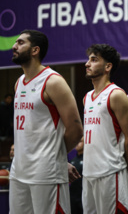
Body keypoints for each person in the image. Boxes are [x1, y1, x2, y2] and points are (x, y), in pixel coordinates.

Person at [9, 29, 83, 213]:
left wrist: (55, 156)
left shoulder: (53, 82)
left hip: (46, 173)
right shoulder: (19, 82)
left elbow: (75, 129)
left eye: (20, 43)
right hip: (19, 170)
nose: (14, 46)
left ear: (35, 50)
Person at [82, 44, 128, 213]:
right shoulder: (87, 98)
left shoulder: (116, 94)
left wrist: (122, 169)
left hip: (110, 172)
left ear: (108, 66)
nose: (87, 64)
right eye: (88, 59)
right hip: (88, 173)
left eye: (94, 60)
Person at [69, 137, 84, 214]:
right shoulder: (72, 160)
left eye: (80, 142)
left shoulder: (86, 159)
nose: (77, 144)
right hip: (72, 195)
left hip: (82, 195)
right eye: (77, 142)